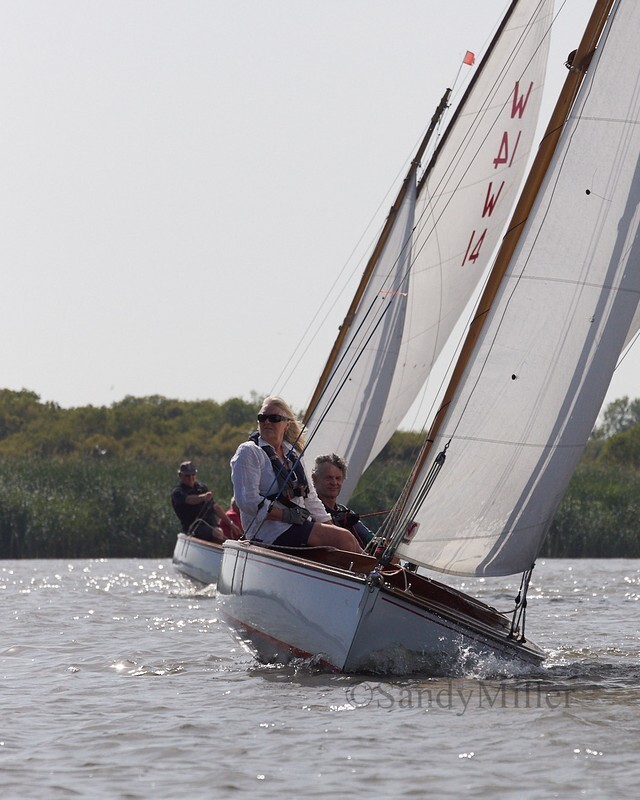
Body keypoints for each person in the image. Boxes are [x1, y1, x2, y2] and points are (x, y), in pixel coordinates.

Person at [231, 396, 363, 553]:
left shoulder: (292, 454)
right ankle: (369, 574)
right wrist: (285, 515)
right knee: (344, 539)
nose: (267, 422)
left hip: (299, 528)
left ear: (287, 424)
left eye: (274, 418)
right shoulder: (249, 451)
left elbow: (311, 499)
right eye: (262, 417)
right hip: (267, 534)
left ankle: (376, 573)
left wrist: (330, 527)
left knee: (346, 538)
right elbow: (247, 501)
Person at [312, 453, 374, 548]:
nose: (334, 483)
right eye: (328, 478)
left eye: (338, 478)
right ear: (314, 479)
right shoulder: (310, 510)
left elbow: (369, 537)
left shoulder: (344, 512)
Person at [171, 461, 241, 543]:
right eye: (187, 476)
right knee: (218, 532)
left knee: (225, 533)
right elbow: (189, 500)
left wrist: (231, 524)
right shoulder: (178, 492)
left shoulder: (201, 487)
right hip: (193, 527)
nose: (191, 478)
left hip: (211, 525)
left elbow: (215, 507)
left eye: (193, 475)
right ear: (180, 475)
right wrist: (203, 497)